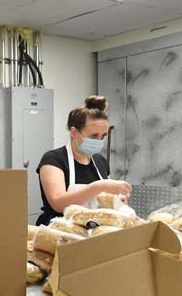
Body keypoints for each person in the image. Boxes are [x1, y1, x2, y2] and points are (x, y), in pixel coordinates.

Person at [36, 95, 132, 226]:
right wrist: (100, 186)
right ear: (74, 132)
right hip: (61, 229)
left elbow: (103, 199)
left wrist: (115, 200)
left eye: (103, 136)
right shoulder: (54, 159)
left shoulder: (100, 161)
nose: (99, 141)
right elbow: (58, 204)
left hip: (93, 228)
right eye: (94, 136)